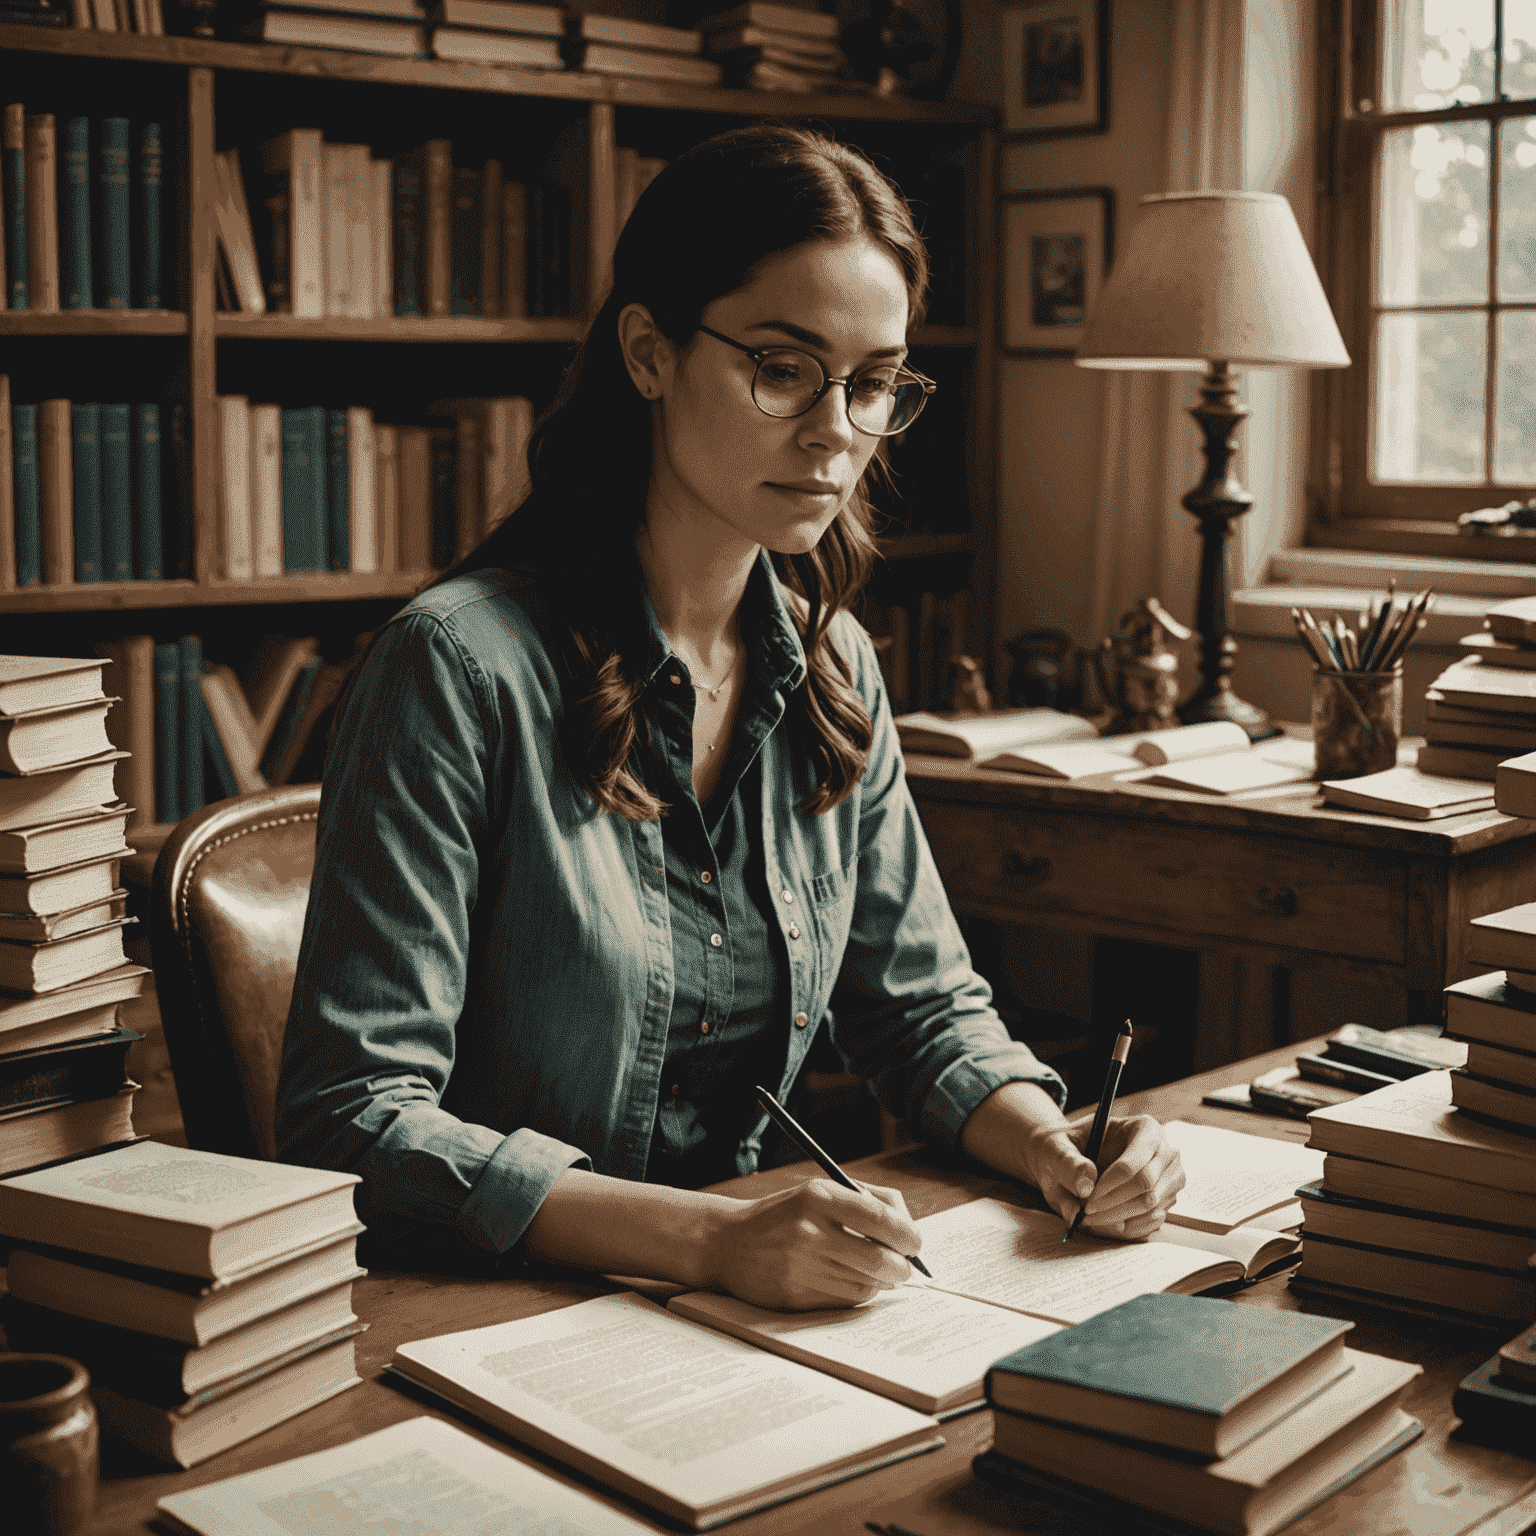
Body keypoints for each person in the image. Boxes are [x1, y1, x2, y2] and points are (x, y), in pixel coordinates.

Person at [277, 124, 1184, 1312]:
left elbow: (923, 1014)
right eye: (783, 368)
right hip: (483, 1312)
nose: (836, 433)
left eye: (872, 386)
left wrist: (1055, 1145)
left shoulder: (831, 661)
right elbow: (353, 1120)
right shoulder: (455, 667)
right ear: (648, 353)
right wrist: (708, 1242)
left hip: (745, 1307)